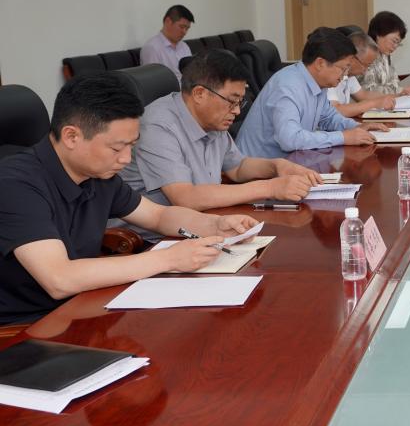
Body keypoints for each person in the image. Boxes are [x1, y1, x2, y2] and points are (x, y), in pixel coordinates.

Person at [0, 74, 257, 325]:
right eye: (116, 148)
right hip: (26, 327)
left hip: (82, 305)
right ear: (71, 137)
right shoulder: (15, 184)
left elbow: (157, 215)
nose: (125, 159)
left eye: (131, 146)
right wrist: (169, 259)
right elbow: (59, 279)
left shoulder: (98, 174)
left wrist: (214, 225)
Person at [119, 50, 323, 211]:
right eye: (231, 101)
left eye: (240, 102)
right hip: (153, 240)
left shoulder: (212, 119)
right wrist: (270, 187)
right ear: (199, 94)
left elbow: (237, 168)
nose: (236, 111)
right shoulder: (158, 127)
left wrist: (277, 166)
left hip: (208, 219)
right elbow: (186, 198)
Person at [236, 29, 386, 158]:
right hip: (258, 171)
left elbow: (328, 117)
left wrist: (357, 127)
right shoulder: (288, 87)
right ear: (320, 63)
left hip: (290, 162)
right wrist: (343, 137)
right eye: (343, 68)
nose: (345, 74)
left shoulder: (318, 82)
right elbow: (290, 139)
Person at [326, 31, 400, 117]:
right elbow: (336, 110)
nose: (365, 70)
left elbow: (363, 95)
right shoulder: (330, 74)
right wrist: (374, 104)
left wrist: (396, 96)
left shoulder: (350, 76)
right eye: (366, 65)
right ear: (352, 58)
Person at [360, 11, 410, 96]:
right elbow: (368, 90)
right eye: (394, 41)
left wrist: (399, 90)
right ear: (378, 34)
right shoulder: (365, 55)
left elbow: (395, 82)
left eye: (398, 43)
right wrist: (400, 91)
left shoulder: (386, 55)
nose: (395, 46)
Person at [140, 4, 194, 80]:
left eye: (187, 28)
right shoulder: (152, 48)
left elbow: (192, 74)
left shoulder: (184, 46)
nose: (184, 32)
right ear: (168, 21)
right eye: (181, 27)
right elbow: (153, 81)